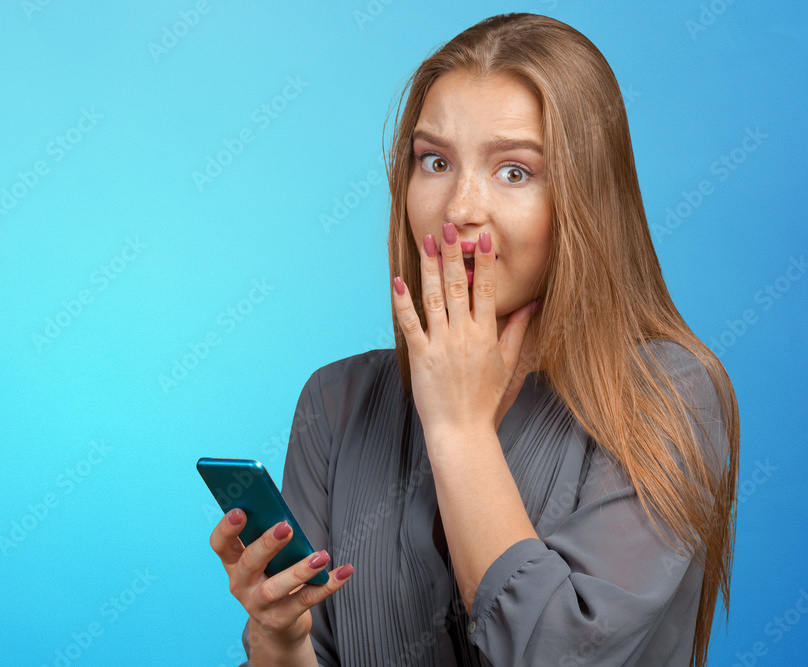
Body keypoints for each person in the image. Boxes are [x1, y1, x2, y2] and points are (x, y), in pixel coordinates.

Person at [208, 12, 739, 666]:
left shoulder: (669, 394)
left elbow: (559, 654)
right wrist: (280, 637)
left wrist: (458, 429)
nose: (459, 209)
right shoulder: (337, 401)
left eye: (515, 172)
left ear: (586, 198)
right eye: (435, 162)